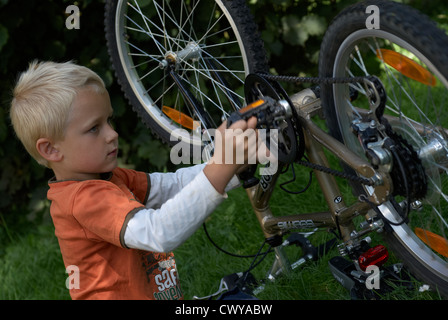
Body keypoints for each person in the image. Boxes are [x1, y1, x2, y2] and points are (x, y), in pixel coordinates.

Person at [10, 60, 258, 300]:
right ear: (51, 150)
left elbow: (173, 186)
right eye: (94, 128)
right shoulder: (83, 200)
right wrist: (222, 166)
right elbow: (159, 232)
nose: (112, 134)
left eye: (109, 120)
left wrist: (231, 165)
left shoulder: (109, 178)